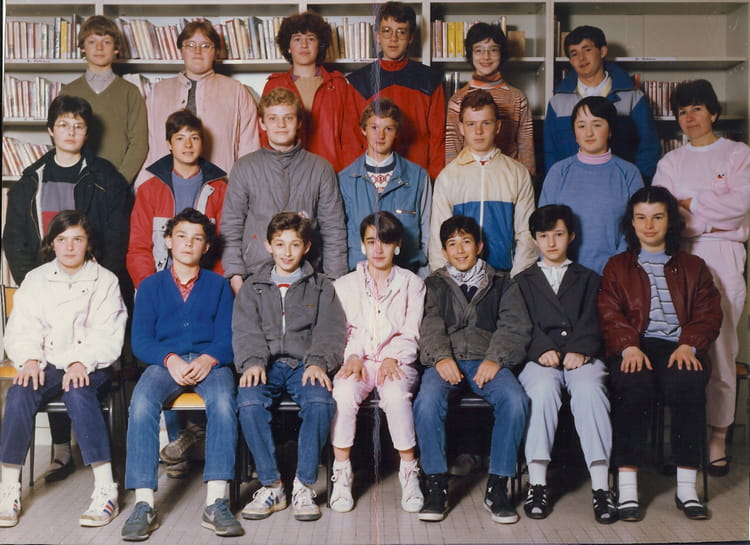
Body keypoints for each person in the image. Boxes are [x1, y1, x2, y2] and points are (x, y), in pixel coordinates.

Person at [2, 94, 131, 484]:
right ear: (50, 131)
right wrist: (38, 282)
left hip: (91, 285)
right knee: (44, 359)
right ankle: (59, 451)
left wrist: (98, 278)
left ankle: (100, 478)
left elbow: (117, 237)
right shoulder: (31, 180)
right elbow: (15, 239)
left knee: (77, 369)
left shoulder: (105, 178)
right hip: (46, 285)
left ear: (87, 132)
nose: (71, 132)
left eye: (78, 126)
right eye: (63, 125)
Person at [598, 186, 722, 522]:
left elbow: (709, 312)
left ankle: (687, 488)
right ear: (631, 222)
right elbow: (609, 312)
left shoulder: (694, 266)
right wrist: (628, 345)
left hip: (679, 345)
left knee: (687, 382)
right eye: (641, 218)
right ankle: (627, 489)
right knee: (633, 385)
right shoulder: (618, 266)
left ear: (670, 221)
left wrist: (689, 343)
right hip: (634, 345)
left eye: (657, 217)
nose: (649, 225)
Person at [0, 210, 126, 528]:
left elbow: (108, 333)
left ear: (88, 243)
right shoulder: (36, 279)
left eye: (77, 239)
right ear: (52, 244)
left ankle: (105, 489)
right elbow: (23, 326)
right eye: (62, 239)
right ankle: (8, 488)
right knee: (19, 392)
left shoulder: (105, 281)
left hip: (92, 363)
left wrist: (81, 361)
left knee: (78, 390)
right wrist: (29, 358)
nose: (69, 247)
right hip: (47, 361)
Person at [122, 209, 241, 541]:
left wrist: (210, 357)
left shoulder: (218, 286)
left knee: (223, 403)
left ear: (206, 247)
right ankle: (143, 504)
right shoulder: (150, 286)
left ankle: (216, 502)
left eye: (197, 238)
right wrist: (169, 358)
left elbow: (230, 335)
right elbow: (140, 340)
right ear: (168, 241)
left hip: (209, 363)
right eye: (182, 236)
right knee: (141, 404)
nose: (189, 244)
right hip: (165, 363)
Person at [652, 79, 750, 477]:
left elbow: (741, 205)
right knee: (681, 347)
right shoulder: (671, 162)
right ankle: (684, 440)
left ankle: (718, 436)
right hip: (681, 256)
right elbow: (663, 214)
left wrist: (693, 205)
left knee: (721, 348)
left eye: (696, 109)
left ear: (713, 112)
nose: (689, 118)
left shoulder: (738, 154)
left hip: (724, 255)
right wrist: (709, 214)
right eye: (682, 111)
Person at [414, 215, 531, 524]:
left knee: (515, 400)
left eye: (466, 242)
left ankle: (498, 486)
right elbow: (429, 326)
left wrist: (496, 358)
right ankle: (436, 485)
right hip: (446, 362)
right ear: (444, 251)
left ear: (479, 246)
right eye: (452, 244)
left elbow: (514, 326)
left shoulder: (503, 283)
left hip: (486, 360)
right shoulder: (433, 284)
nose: (460, 250)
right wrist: (441, 358)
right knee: (426, 402)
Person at [233, 212, 346, 522]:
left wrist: (319, 361)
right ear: (268, 245)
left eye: (295, 244)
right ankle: (272, 485)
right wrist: (253, 361)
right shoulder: (253, 286)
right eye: (280, 244)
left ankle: (303, 485)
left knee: (320, 401)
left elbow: (330, 329)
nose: (287, 252)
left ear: (306, 247)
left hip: (304, 363)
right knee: (249, 401)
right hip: (265, 363)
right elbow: (245, 329)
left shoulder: (321, 286)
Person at [515, 204, 616, 524]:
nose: (551, 242)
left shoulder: (589, 278)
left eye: (558, 234)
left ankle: (601, 486)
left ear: (571, 236)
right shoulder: (522, 281)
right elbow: (519, 323)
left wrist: (580, 349)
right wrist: (540, 348)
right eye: (544, 236)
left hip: (582, 357)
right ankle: (538, 483)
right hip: (539, 359)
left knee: (589, 391)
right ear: (534, 239)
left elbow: (596, 319)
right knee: (542, 391)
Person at [329, 211, 425, 514]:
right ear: (362, 245)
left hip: (397, 359)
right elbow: (344, 331)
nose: (378, 249)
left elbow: (411, 332)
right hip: (358, 359)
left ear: (397, 245)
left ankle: (409, 472)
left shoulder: (412, 283)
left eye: (385, 241)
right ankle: (342, 473)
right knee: (344, 392)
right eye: (371, 241)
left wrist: (393, 356)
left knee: (395, 395)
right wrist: (353, 355)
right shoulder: (344, 285)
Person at [222, 87, 348, 294]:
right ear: (262, 123)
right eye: (273, 118)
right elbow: (231, 224)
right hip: (255, 274)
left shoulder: (320, 168)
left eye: (288, 118)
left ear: (299, 122)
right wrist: (235, 274)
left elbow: (333, 228)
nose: (281, 125)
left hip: (308, 276)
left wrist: (335, 280)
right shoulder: (244, 167)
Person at [135, 20, 259, 186]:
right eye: (190, 45)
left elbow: (249, 150)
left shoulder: (236, 91)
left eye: (205, 45)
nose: (197, 51)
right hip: (164, 188)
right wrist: (142, 187)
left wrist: (242, 192)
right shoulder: (158, 92)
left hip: (221, 189)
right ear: (181, 50)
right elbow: (147, 148)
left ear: (216, 52)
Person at [430, 89, 536, 276]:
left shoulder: (518, 174)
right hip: (459, 279)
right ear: (461, 128)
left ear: (498, 126)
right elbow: (438, 238)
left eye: (486, 123)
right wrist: (446, 282)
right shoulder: (448, 177)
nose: (478, 131)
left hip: (505, 276)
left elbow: (526, 234)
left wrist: (517, 279)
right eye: (471, 124)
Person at [539, 96, 643, 274]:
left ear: (610, 130)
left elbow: (636, 228)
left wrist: (616, 271)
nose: (588, 133)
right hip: (564, 275)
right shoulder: (558, 172)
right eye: (581, 126)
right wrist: (555, 274)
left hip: (615, 275)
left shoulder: (629, 173)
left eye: (597, 124)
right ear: (574, 131)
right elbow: (544, 227)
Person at [543, 25, 659, 182]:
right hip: (572, 186)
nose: (581, 58)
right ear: (570, 60)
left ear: (603, 51)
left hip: (620, 186)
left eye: (587, 50)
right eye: (574, 53)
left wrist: (638, 187)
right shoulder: (557, 102)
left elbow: (648, 149)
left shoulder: (633, 97)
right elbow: (550, 153)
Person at [128, 109, 227, 289]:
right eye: (180, 138)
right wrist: (149, 288)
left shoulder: (220, 190)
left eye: (194, 138)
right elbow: (138, 247)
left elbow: (225, 248)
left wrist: (214, 288)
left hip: (205, 286)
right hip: (159, 285)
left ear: (202, 143)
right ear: (169, 144)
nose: (188, 145)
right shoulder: (149, 190)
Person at [347, 1, 445, 180]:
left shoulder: (430, 80)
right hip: (372, 177)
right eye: (387, 31)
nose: (393, 39)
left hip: (418, 178)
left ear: (411, 37)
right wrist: (358, 181)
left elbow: (438, 138)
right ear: (377, 36)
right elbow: (352, 140)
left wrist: (433, 180)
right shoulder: (359, 81)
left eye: (401, 32)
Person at [338, 98, 432, 276]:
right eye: (374, 127)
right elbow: (337, 235)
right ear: (363, 129)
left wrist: (425, 277)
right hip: (358, 277)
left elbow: (427, 232)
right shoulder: (345, 180)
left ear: (397, 132)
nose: (380, 136)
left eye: (388, 129)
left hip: (407, 276)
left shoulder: (418, 177)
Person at [262, 11, 363, 171]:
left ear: (320, 45)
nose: (304, 45)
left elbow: (352, 140)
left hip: (331, 172)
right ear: (288, 47)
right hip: (286, 173)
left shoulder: (338, 85)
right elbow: (264, 137)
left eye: (311, 38)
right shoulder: (274, 85)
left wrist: (348, 179)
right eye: (297, 39)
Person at [60, 15, 147, 184]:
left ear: (116, 48)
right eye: (92, 42)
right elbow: (61, 139)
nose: (99, 47)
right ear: (82, 47)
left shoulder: (130, 92)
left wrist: (118, 181)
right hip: (76, 182)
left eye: (106, 42)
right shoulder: (68, 92)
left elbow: (139, 144)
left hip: (116, 182)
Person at [445, 22, 535, 178]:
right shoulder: (457, 99)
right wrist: (453, 181)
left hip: (508, 178)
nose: (486, 57)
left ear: (502, 53)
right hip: (469, 177)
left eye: (493, 50)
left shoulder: (517, 97)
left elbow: (526, 149)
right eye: (479, 50)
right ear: (470, 54)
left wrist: (528, 182)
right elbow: (452, 149)